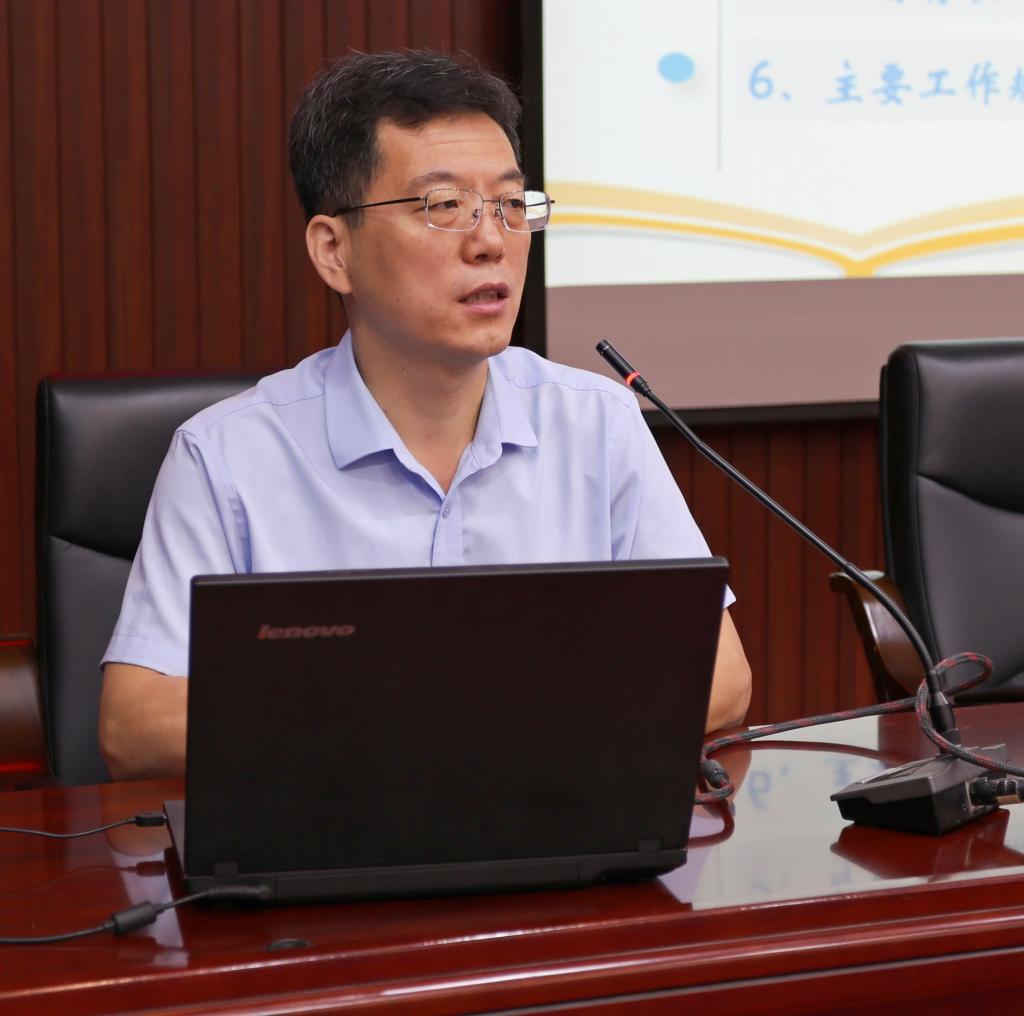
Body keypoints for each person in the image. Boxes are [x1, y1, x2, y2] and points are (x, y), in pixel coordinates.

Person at [99, 50, 751, 780]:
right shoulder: (228, 456)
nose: (491, 242)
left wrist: (471, 720)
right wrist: (432, 718)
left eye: (510, 205)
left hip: (551, 824)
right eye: (444, 207)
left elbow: (722, 676)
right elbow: (135, 725)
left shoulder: (597, 422)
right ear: (334, 251)